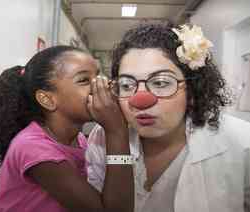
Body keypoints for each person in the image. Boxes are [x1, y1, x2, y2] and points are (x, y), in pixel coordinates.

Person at [86, 24, 250, 212]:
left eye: (161, 82)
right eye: (126, 84)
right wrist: (117, 140)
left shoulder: (242, 142)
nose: (139, 100)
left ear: (192, 88)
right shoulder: (104, 136)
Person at [0, 45, 134, 212]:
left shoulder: (79, 139)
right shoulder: (34, 148)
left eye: (98, 76)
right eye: (83, 80)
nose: (101, 86)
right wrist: (116, 130)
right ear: (47, 99)